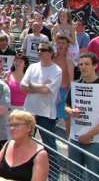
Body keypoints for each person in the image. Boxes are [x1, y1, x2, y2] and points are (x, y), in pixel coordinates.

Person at [20, 42, 62, 180]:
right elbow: (23, 87)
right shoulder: (32, 67)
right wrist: (40, 87)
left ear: (50, 52)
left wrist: (32, 86)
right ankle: (27, 173)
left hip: (46, 114)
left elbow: (48, 90)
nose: (39, 52)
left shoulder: (57, 70)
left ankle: (53, 176)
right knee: (26, 144)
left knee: (49, 146)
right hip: (29, 111)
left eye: (42, 50)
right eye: (38, 49)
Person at [65, 52, 99, 181]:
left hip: (95, 141)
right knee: (73, 175)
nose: (83, 67)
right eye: (81, 64)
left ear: (95, 65)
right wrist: (71, 111)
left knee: (93, 177)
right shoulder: (76, 84)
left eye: (87, 64)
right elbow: (66, 106)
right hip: (75, 138)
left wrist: (89, 135)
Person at [0, 110, 49, 181]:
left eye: (16, 125)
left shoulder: (40, 155)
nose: (12, 128)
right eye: (10, 125)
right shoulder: (8, 144)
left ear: (29, 128)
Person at [53, 34, 74, 135]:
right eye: (59, 43)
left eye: (63, 43)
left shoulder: (68, 61)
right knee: (50, 118)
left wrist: (69, 97)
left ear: (67, 45)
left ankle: (69, 140)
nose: (60, 45)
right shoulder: (52, 58)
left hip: (64, 92)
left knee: (67, 119)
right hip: (51, 91)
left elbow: (72, 80)